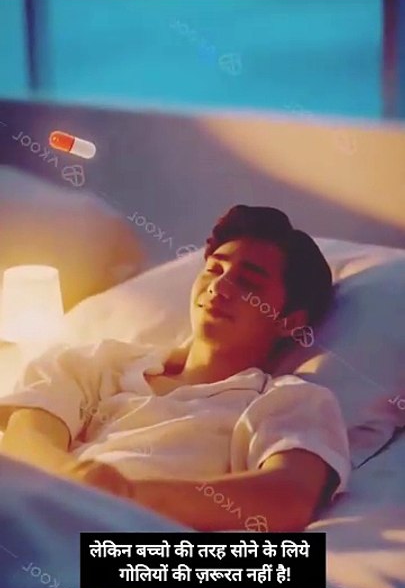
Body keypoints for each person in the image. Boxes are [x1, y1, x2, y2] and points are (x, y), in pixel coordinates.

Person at [0, 205, 351, 532]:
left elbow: (288, 498)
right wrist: (78, 486)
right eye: (214, 270)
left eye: (248, 282)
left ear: (289, 321)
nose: (219, 287)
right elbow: (25, 441)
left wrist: (124, 495)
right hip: (34, 520)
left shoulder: (290, 400)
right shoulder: (95, 362)